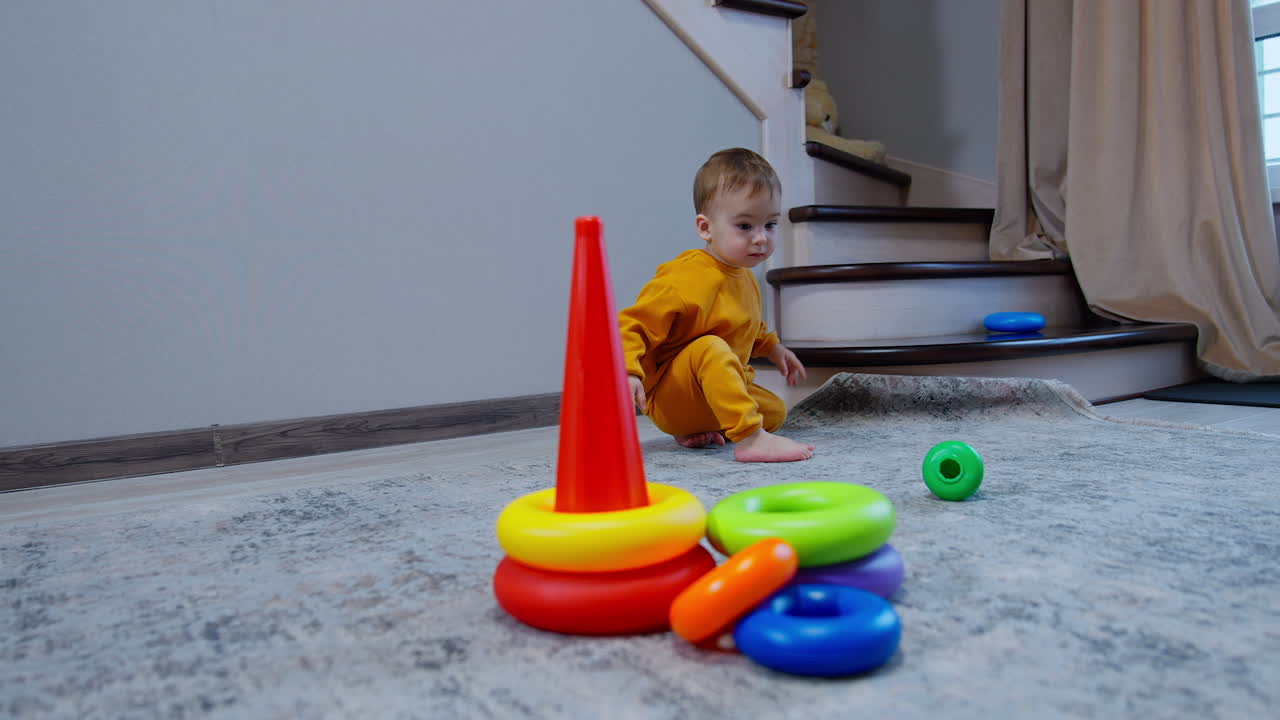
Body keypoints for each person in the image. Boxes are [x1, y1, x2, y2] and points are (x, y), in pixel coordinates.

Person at [618, 148, 815, 463]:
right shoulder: (686, 276)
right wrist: (629, 372)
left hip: (708, 394)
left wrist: (773, 347)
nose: (761, 238)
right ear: (705, 228)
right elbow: (633, 324)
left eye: (770, 224)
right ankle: (750, 440)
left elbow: (745, 323)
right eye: (745, 226)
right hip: (672, 398)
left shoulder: (745, 278)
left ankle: (707, 428)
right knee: (711, 347)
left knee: (774, 412)